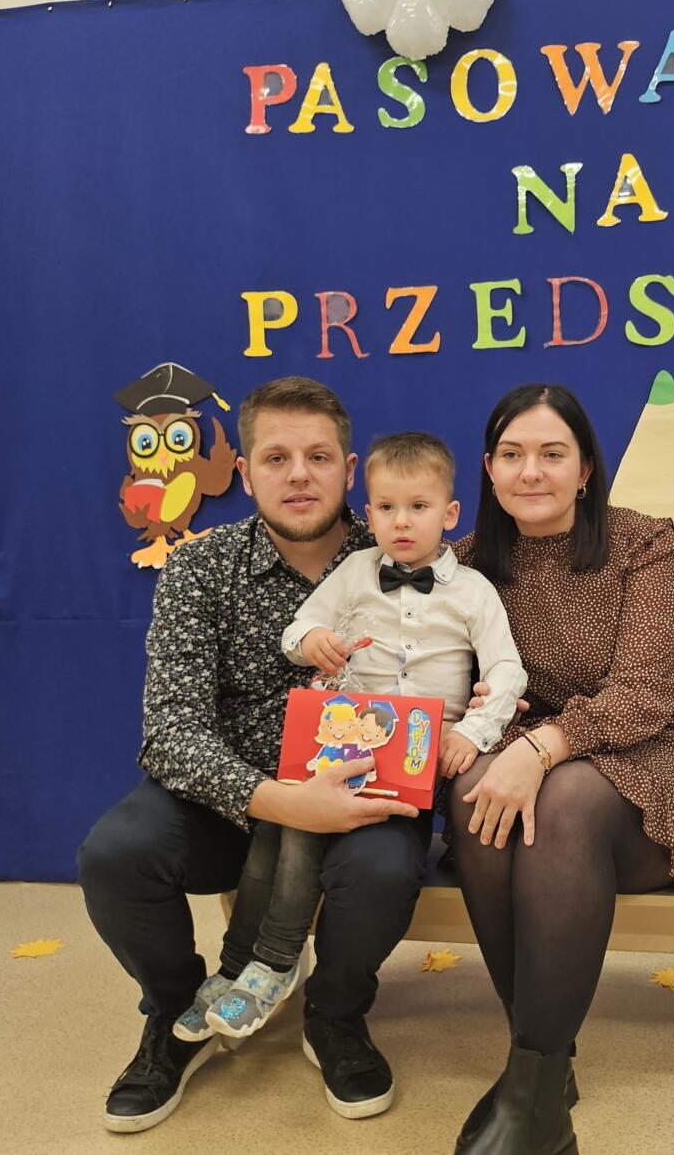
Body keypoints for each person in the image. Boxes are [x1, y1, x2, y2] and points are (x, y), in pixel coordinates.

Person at [76, 378, 423, 1134]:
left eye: (318, 457)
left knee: (386, 868)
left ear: (350, 469)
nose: (298, 475)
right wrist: (278, 800)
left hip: (363, 802)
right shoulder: (200, 568)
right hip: (234, 807)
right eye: (276, 458)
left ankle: (334, 1015)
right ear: (244, 471)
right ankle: (175, 1012)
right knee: (116, 854)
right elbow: (170, 729)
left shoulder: (405, 562)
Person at [448, 384, 674, 1155]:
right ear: (489, 468)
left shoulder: (640, 543)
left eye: (553, 454)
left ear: (585, 469)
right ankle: (544, 1077)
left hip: (664, 752)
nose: (532, 471)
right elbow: (456, 685)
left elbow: (644, 695)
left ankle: (530, 1090)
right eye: (513, 455)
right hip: (538, 752)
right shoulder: (465, 567)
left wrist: (539, 748)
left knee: (565, 800)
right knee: (475, 790)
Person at [190, 432, 527, 1088]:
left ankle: (277, 964)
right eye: (387, 508)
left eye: (418, 507)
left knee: (329, 846)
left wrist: (474, 732)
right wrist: (315, 640)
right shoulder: (353, 574)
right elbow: (297, 631)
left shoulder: (473, 592)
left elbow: (508, 672)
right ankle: (252, 965)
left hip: (414, 760)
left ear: (450, 513)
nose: (402, 523)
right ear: (367, 514)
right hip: (343, 741)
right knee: (282, 825)